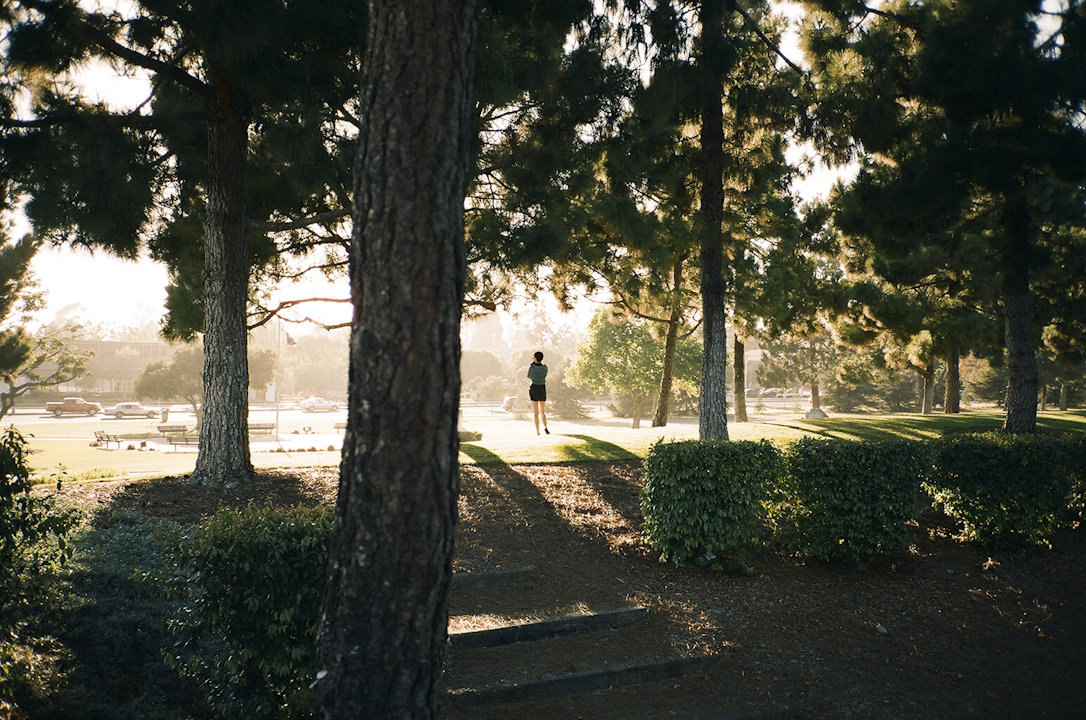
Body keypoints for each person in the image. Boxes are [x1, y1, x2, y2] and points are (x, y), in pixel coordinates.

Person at [527, 351, 549, 435]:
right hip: (542, 388)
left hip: (534, 388)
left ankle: (538, 432)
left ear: (535, 358)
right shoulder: (545, 368)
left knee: (536, 413)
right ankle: (545, 427)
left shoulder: (532, 368)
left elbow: (529, 376)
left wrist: (532, 364)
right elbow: (544, 375)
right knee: (542, 411)